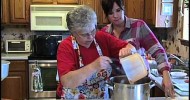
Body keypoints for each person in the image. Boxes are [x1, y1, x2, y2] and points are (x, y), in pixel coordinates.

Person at [56, 5, 136, 99]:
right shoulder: (66, 46)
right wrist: (94, 66)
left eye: (93, 30)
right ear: (73, 33)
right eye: (84, 34)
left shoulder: (102, 37)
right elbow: (67, 82)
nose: (90, 37)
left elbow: (130, 46)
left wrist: (129, 49)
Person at [100, 0, 175, 98]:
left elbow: (157, 50)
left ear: (123, 8)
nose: (115, 15)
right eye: (110, 13)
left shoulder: (139, 26)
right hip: (116, 85)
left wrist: (166, 74)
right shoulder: (104, 33)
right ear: (106, 14)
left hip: (140, 83)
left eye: (118, 10)